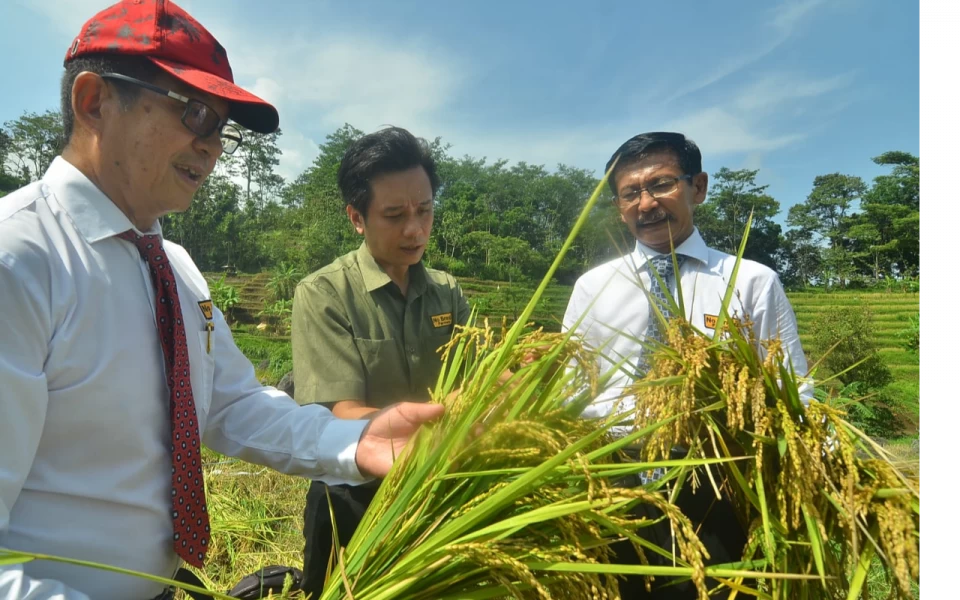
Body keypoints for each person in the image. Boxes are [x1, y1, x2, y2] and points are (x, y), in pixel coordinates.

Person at [0, 3, 443, 599]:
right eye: (195, 114)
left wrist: (358, 442)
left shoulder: (175, 269)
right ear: (94, 101)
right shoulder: (19, 259)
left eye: (221, 129)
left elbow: (233, 405)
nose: (211, 147)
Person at [561, 131, 811, 597]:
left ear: (698, 187)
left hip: (717, 484)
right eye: (630, 193)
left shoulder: (751, 282)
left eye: (661, 184)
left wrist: (818, 468)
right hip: (612, 483)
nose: (646, 203)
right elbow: (573, 392)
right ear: (618, 206)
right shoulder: (592, 288)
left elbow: (794, 387)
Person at [290, 126, 471, 597]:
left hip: (437, 493)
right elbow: (341, 413)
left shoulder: (447, 291)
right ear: (357, 217)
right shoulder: (325, 294)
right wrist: (443, 423)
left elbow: (480, 376)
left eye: (424, 210)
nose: (415, 229)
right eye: (394, 215)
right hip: (353, 500)